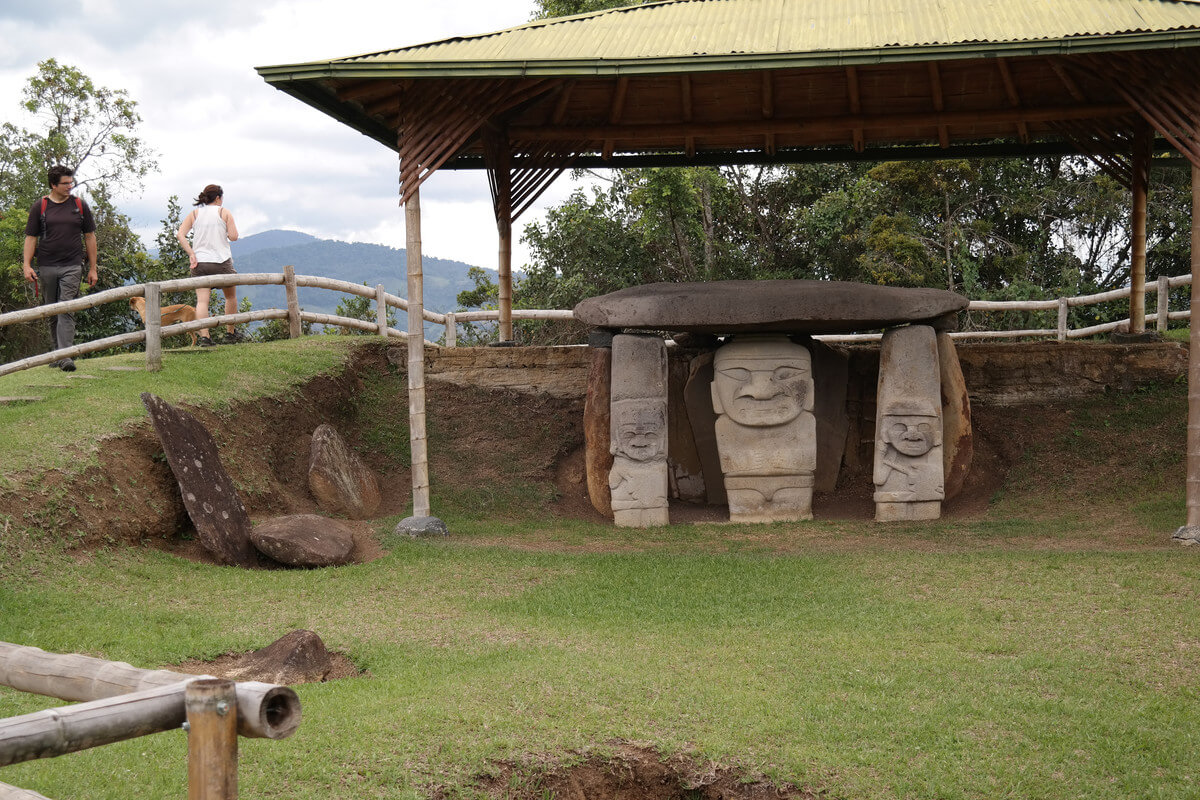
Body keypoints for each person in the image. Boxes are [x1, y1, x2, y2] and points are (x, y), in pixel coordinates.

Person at [21, 165, 98, 372]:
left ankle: (65, 356)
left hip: (72, 265)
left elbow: (90, 237)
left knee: (66, 308)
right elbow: (30, 238)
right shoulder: (41, 206)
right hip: (46, 266)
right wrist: (27, 265)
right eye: (65, 183)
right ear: (53, 185)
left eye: (71, 182)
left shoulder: (80, 205)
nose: (70, 186)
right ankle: (58, 354)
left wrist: (93, 268)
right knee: (51, 311)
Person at [176, 184, 243, 346]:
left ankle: (205, 337)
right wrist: (224, 232)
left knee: (202, 301)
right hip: (222, 261)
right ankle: (230, 333)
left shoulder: (194, 214)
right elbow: (234, 236)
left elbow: (180, 234)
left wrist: (191, 254)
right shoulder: (224, 212)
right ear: (218, 198)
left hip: (200, 263)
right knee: (231, 297)